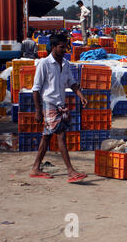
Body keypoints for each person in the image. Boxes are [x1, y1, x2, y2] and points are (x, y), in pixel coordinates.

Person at [31, 34, 88, 183]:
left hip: (60, 105)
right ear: (53, 47)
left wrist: (80, 95)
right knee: (61, 135)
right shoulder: (44, 64)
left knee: (47, 136)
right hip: (49, 103)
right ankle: (70, 170)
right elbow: (36, 90)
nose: (64, 50)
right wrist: (38, 111)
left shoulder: (66, 64)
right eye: (61, 47)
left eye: (65, 47)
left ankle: (36, 167)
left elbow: (72, 83)